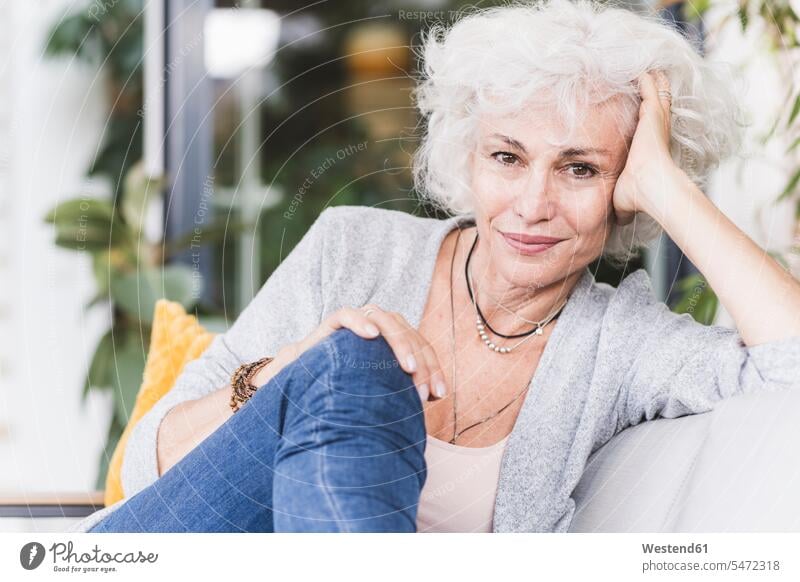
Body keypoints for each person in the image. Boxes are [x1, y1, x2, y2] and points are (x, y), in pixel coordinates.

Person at [72, 0, 800, 533]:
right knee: (356, 356)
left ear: (625, 189)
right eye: (506, 157)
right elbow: (147, 465)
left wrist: (671, 189)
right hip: (183, 552)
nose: (533, 203)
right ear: (467, 156)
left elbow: (790, 364)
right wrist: (288, 373)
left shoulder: (622, 344)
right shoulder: (350, 247)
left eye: (580, 169)